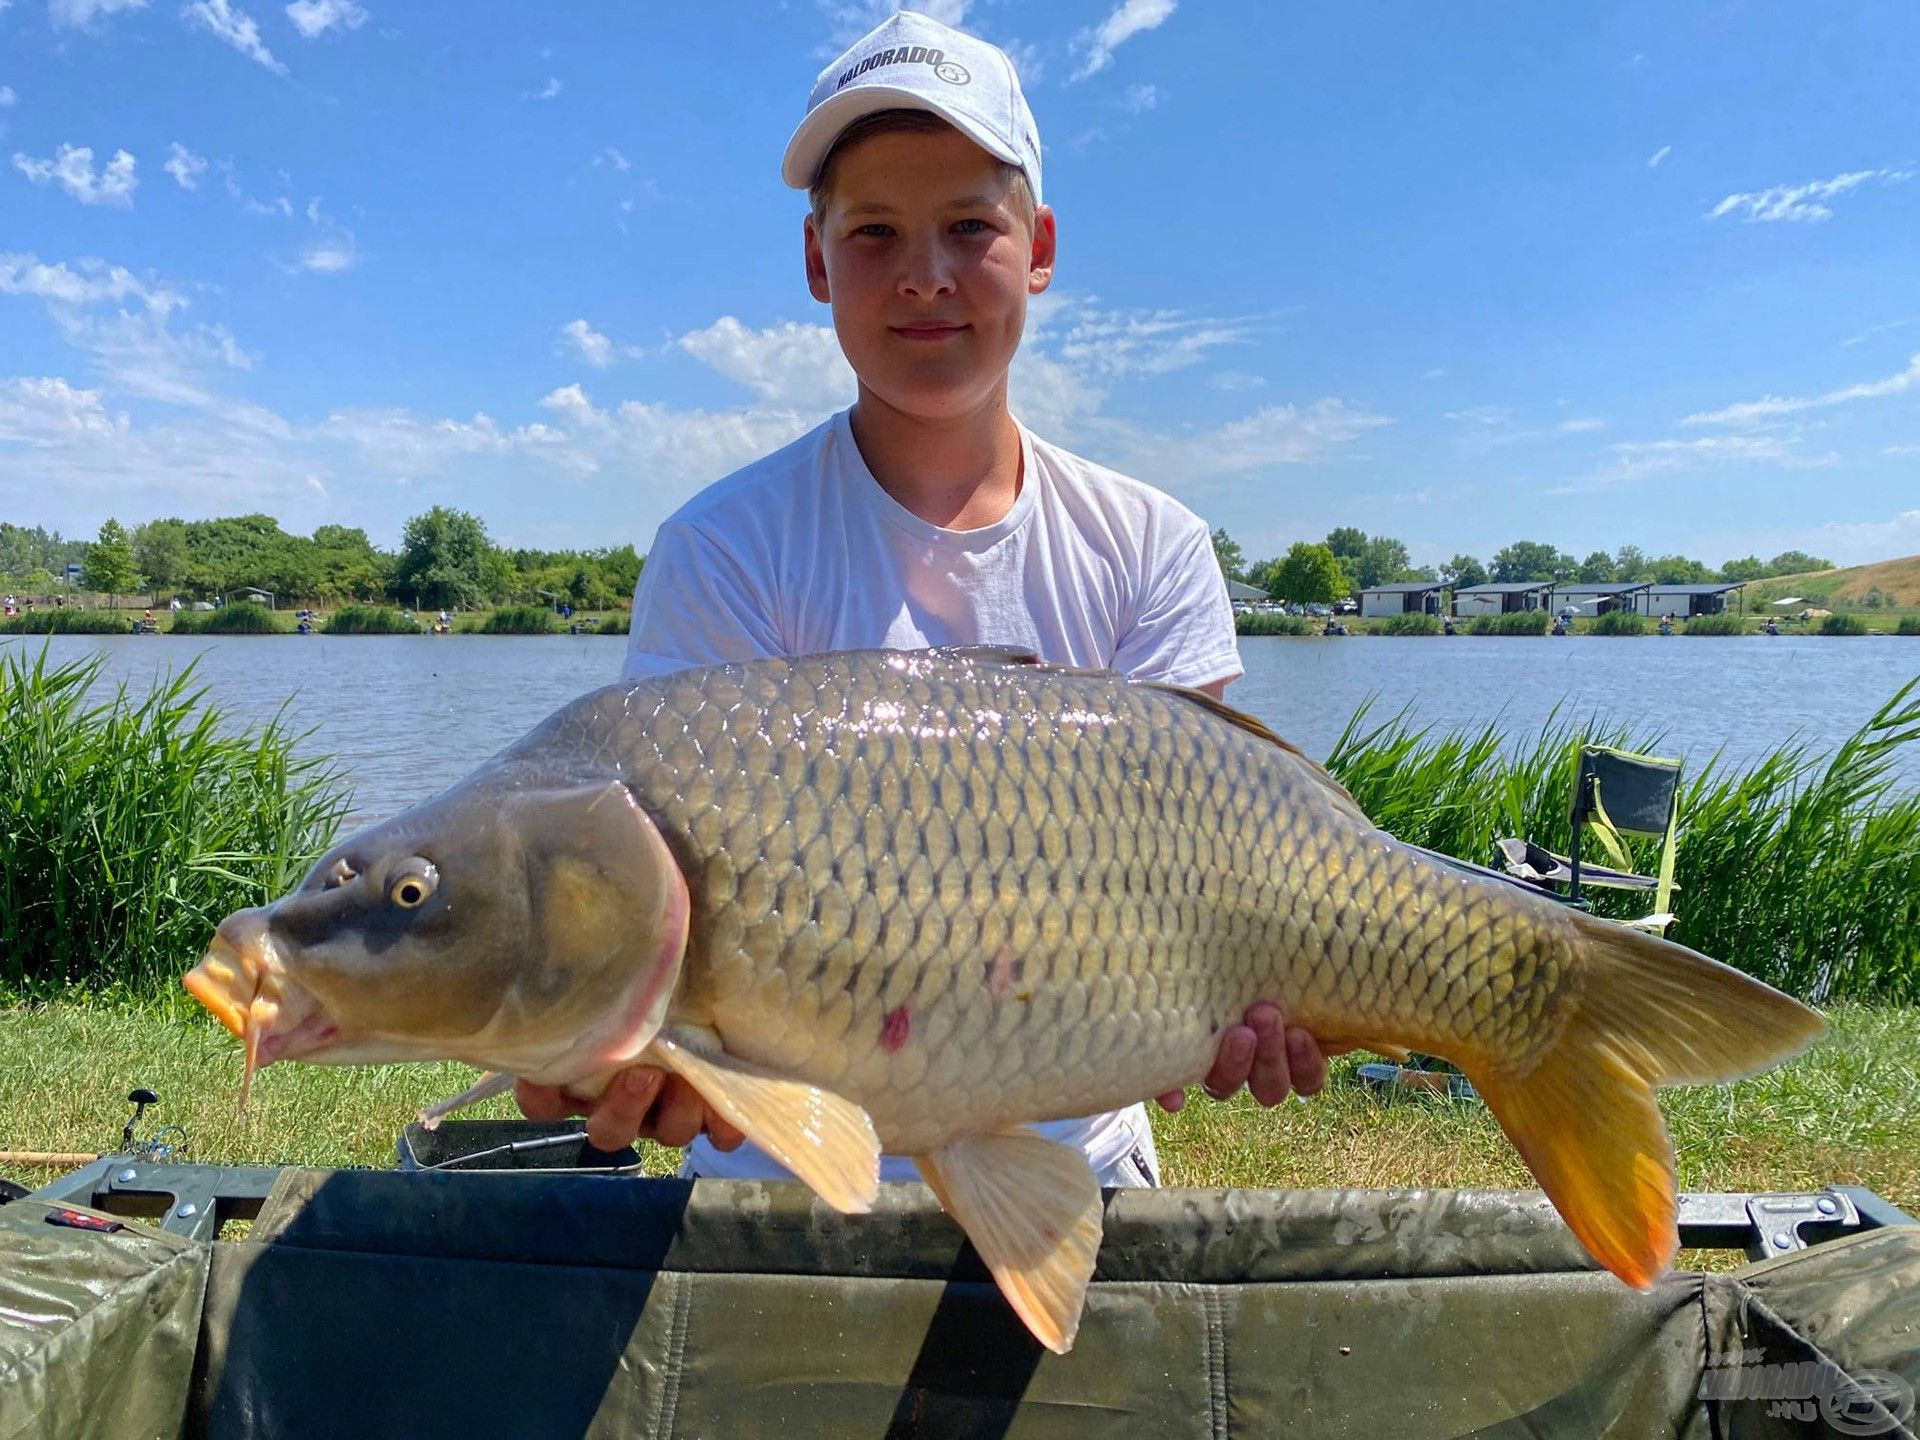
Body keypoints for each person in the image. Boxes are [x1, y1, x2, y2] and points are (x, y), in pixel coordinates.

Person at [518, 10, 1332, 1186]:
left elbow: (1204, 868)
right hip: (784, 1184)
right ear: (814, 263)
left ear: (1039, 247)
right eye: (875, 233)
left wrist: (1248, 1005)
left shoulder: (1151, 543)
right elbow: (661, 930)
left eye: (969, 227)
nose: (924, 277)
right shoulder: (722, 548)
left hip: (1079, 1153)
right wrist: (600, 1039)